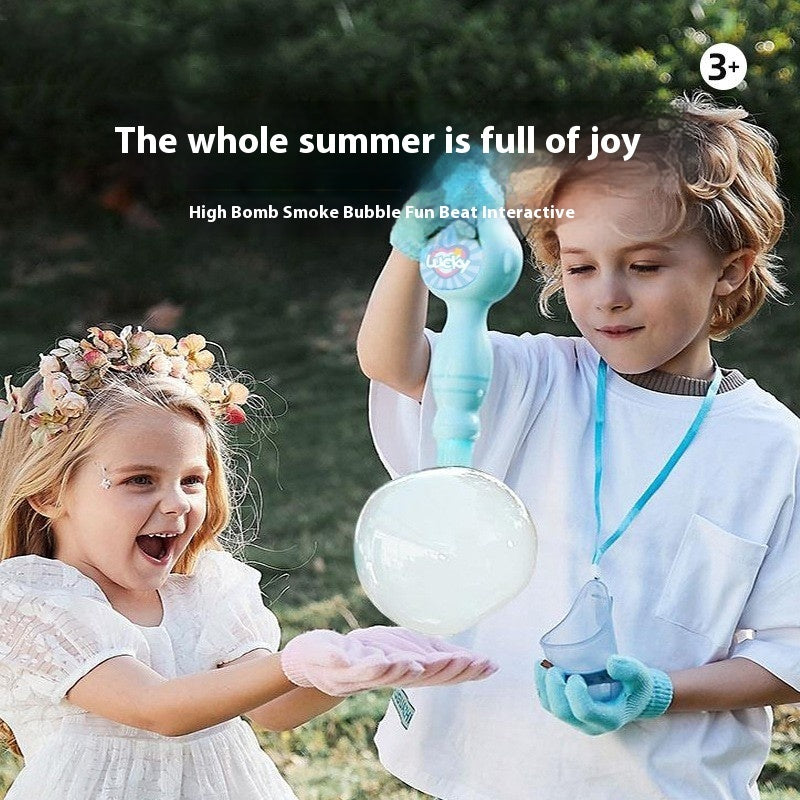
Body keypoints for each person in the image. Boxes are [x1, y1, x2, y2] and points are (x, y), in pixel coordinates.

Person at [356, 93, 800, 800]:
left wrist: (658, 692)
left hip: (659, 784)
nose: (607, 297)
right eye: (581, 266)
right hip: (484, 767)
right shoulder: (540, 377)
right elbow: (393, 361)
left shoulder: (773, 450)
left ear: (733, 268)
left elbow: (790, 652)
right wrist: (411, 246)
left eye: (645, 266)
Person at [0, 326, 496, 800]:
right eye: (140, 480)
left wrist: (347, 669)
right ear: (48, 494)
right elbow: (155, 710)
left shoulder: (203, 588)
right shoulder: (34, 604)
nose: (176, 504)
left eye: (192, 480)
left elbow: (275, 707)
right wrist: (296, 661)